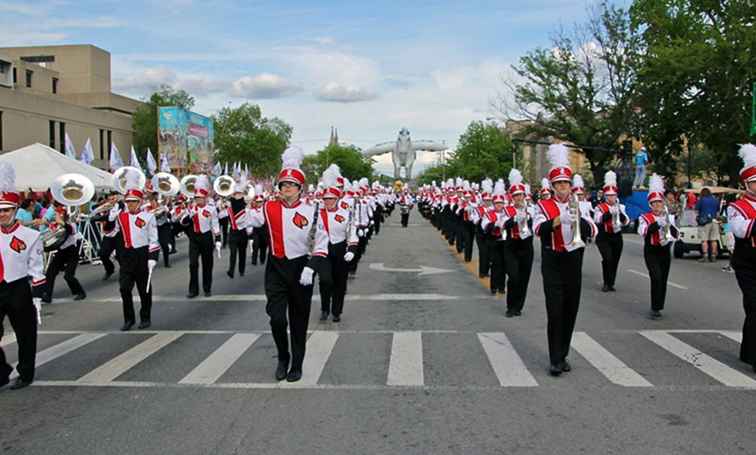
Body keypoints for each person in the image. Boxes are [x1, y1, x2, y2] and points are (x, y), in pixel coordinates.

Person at [247, 146, 329, 382]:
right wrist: (238, 199)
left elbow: (321, 243)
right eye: (283, 185)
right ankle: (283, 357)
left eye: (291, 185)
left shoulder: (313, 210)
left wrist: (311, 267)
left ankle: (297, 364)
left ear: (300, 188)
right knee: (277, 318)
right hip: (276, 267)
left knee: (299, 319)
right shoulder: (268, 206)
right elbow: (243, 222)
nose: (286, 189)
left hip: (301, 268)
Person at [533, 143, 597, 377]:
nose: (563, 187)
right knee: (555, 310)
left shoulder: (581, 204)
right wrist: (559, 219)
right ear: (553, 186)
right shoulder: (543, 205)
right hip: (552, 261)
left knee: (571, 309)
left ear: (570, 185)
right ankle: (554, 358)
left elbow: (593, 230)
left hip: (573, 259)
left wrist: (580, 218)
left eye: (566, 183)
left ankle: (563, 353)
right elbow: (538, 229)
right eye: (559, 184)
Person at [0, 163, 46, 390]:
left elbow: (36, 267)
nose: (2, 214)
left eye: (6, 210)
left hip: (18, 287)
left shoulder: (30, 236)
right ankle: (1, 372)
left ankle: (26, 373)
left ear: (15, 210)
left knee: (26, 334)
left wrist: (37, 296)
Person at [111, 172, 159, 330]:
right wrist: (109, 218)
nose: (130, 204)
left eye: (133, 202)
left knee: (143, 289)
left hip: (142, 254)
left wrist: (152, 258)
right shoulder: (121, 217)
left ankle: (145, 317)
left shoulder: (148, 217)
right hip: (126, 256)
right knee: (124, 288)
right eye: (128, 201)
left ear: (139, 202)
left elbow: (153, 239)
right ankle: (128, 319)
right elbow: (111, 233)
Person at [728, 144, 756, 373]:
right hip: (747, 262)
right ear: (746, 185)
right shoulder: (736, 207)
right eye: (754, 182)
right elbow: (740, 230)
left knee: (752, 309)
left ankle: (748, 351)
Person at [318, 164, 358, 322]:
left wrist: (352, 249)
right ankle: (324, 308)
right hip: (324, 250)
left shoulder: (345, 213)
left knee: (340, 282)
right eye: (326, 199)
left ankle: (336, 311)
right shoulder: (317, 213)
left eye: (331, 199)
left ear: (337, 199)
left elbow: (352, 232)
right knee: (325, 280)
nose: (328, 201)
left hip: (340, 248)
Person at [637, 174, 679, 320]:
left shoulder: (669, 217)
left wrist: (668, 224)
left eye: (659, 203)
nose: (657, 206)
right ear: (650, 205)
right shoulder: (644, 218)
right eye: (654, 204)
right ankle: (654, 307)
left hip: (665, 251)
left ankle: (659, 306)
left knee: (663, 279)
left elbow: (676, 234)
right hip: (651, 251)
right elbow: (642, 232)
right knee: (656, 277)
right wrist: (656, 224)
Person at [500, 169, 534, 317]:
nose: (518, 198)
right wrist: (514, 218)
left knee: (524, 278)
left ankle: (518, 306)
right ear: (512, 197)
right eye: (515, 196)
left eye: (520, 195)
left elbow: (536, 225)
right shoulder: (507, 210)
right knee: (513, 277)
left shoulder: (532, 209)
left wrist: (526, 214)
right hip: (512, 246)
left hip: (526, 246)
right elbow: (502, 224)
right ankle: (510, 306)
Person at [181, 176, 220, 298]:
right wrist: (189, 216)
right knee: (193, 264)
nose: (198, 200)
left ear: (205, 198)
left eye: (200, 198)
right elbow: (183, 223)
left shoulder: (211, 209)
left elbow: (215, 224)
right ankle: (193, 290)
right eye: (196, 198)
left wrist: (218, 238)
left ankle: (207, 288)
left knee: (207, 264)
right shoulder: (191, 209)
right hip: (194, 238)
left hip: (206, 237)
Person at [42, 200, 86, 303]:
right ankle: (47, 295)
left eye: (59, 214)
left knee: (68, 275)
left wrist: (61, 222)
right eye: (56, 214)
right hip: (62, 251)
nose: (57, 216)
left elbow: (71, 230)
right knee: (50, 273)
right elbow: (54, 237)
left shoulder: (70, 222)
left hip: (72, 251)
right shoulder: (57, 224)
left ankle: (80, 292)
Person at [593, 171, 629, 292]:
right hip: (604, 236)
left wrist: (619, 213)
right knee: (607, 258)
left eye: (613, 195)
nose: (611, 198)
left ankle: (611, 282)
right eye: (608, 196)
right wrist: (609, 213)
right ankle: (606, 282)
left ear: (616, 196)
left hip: (617, 236)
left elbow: (626, 221)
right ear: (605, 196)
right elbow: (597, 219)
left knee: (615, 260)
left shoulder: (621, 207)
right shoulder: (600, 207)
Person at [91, 192, 123, 280]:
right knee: (102, 254)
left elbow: (111, 218)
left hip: (120, 234)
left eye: (113, 199)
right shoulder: (107, 206)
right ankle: (110, 269)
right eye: (110, 199)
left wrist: (100, 217)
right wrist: (92, 216)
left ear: (117, 198)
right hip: (109, 234)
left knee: (120, 256)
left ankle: (125, 272)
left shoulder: (121, 206)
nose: (111, 201)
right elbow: (95, 210)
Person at [225, 182, 249, 278]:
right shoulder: (229, 203)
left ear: (242, 194)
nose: (237, 195)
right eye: (236, 193)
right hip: (233, 231)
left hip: (243, 231)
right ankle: (231, 270)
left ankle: (241, 270)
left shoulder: (245, 203)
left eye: (239, 193)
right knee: (233, 253)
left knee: (242, 253)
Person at [695, 187, 720, 262]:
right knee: (714, 240)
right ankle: (713, 256)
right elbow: (718, 212)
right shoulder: (716, 200)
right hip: (714, 221)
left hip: (704, 222)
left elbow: (696, 210)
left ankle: (705, 256)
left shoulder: (701, 200)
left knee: (704, 240)